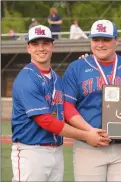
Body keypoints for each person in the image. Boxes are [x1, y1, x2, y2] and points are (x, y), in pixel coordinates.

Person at [11, 25, 108, 182]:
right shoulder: (26, 79)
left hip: (56, 150)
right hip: (31, 151)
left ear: (53, 46)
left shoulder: (56, 77)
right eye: (35, 44)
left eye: (45, 43)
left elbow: (66, 108)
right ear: (28, 48)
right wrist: (86, 135)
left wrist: (84, 64)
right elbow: (46, 121)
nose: (41, 48)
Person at [62, 19, 121, 181]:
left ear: (116, 40)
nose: (100, 44)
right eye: (96, 39)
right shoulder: (77, 67)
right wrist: (89, 132)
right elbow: (67, 107)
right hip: (88, 146)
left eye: (106, 39)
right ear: (90, 41)